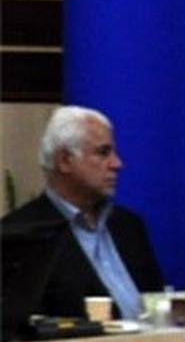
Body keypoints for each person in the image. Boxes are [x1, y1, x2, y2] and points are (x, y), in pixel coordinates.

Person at [1, 105, 164, 320]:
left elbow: (159, 301)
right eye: (103, 153)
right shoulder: (21, 235)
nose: (117, 164)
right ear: (65, 161)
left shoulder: (128, 225)